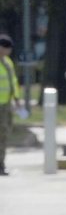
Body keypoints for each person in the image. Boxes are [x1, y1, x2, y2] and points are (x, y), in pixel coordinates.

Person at [0, 34, 21, 176]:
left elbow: (13, 81)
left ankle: (1, 164)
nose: (9, 52)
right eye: (7, 48)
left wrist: (16, 98)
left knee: (4, 134)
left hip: (5, 105)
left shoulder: (8, 63)